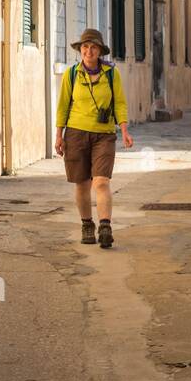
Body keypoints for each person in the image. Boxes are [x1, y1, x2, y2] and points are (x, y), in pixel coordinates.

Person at [55, 29, 134, 248]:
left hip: (104, 135)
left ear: (99, 51)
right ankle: (87, 224)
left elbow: (119, 103)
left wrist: (125, 131)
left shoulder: (111, 74)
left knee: (101, 181)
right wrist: (58, 136)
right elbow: (63, 106)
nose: (89, 51)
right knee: (82, 184)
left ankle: (105, 226)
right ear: (80, 50)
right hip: (75, 133)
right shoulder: (71, 74)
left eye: (93, 47)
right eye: (85, 47)